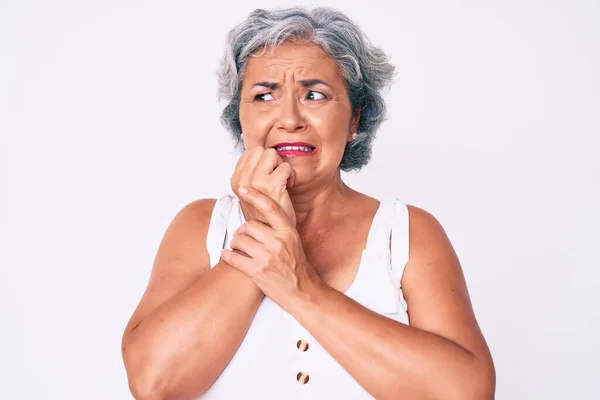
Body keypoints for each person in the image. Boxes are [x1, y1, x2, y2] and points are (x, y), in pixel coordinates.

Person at [121, 6, 495, 399]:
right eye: (265, 95)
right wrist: (263, 230)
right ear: (240, 118)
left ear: (354, 120)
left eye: (314, 95)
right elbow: (154, 384)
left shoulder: (406, 233)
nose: (289, 118)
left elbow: (465, 393)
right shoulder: (200, 226)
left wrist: (299, 286)